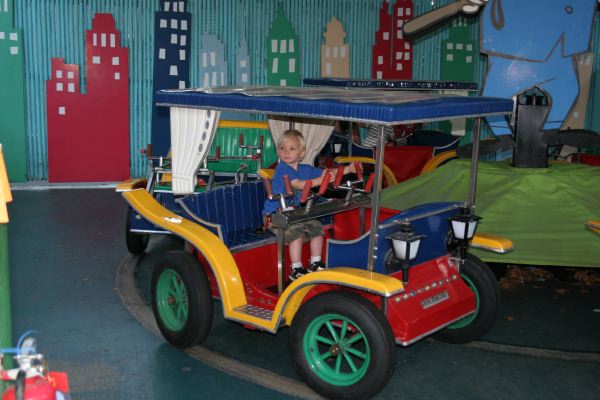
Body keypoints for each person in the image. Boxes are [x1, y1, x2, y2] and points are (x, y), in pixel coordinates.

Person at [263, 129, 356, 281]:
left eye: (292, 148)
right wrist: (323, 180)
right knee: (296, 233)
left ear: (301, 153)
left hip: (294, 213)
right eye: (282, 148)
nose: (286, 152)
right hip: (275, 215)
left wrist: (347, 169)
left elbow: (327, 172)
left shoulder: (305, 169)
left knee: (317, 228)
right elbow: (299, 185)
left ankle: (315, 262)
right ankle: (296, 268)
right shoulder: (282, 168)